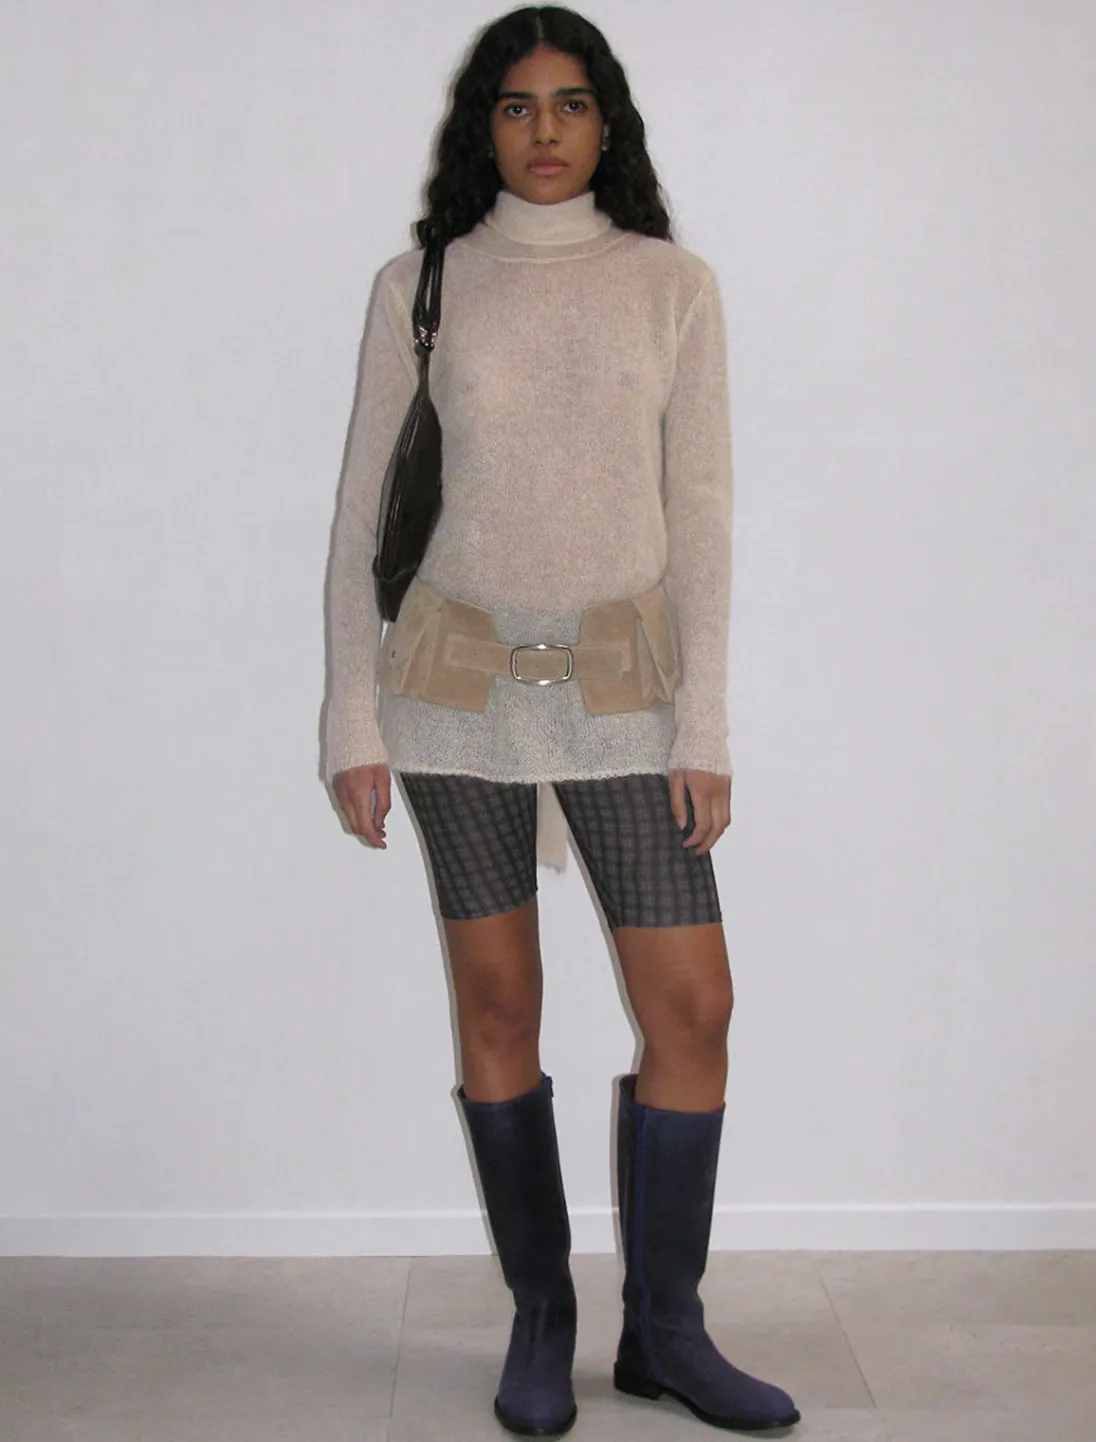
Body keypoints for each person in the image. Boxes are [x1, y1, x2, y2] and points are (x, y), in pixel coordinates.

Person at [323, 6, 799, 1436]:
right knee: (498, 1004)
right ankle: (543, 1316)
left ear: (608, 124)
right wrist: (352, 718)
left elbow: (703, 516)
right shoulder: (421, 286)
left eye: (572, 103)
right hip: (452, 697)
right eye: (518, 105)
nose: (545, 130)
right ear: (485, 125)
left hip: (628, 698)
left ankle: (668, 1329)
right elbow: (361, 516)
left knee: (693, 1008)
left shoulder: (672, 285)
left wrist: (704, 724)